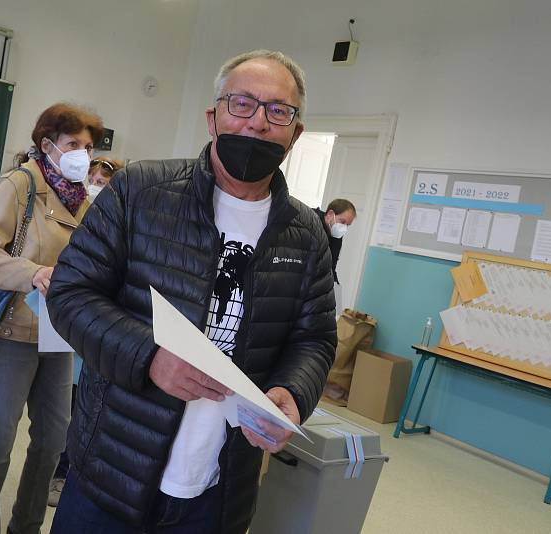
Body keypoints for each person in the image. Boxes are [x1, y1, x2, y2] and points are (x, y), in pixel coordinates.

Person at [47, 50, 337, 533]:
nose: (258, 122)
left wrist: (293, 390)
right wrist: (149, 356)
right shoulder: (141, 190)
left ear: (295, 133)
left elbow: (315, 339)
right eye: (242, 103)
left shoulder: (306, 233)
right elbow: (70, 292)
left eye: (278, 110)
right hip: (113, 468)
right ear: (213, 116)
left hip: (218, 491)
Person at [0, 102, 103, 534]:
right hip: (11, 329)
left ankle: (25, 527)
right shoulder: (21, 184)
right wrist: (33, 273)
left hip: (59, 335)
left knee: (52, 440)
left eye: (89, 145)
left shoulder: (83, 199)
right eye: (73, 144)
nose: (83, 152)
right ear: (47, 145)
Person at [47, 153, 124, 508]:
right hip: (63, 330)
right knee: (60, 405)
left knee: (85, 408)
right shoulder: (68, 218)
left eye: (104, 183)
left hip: (97, 335)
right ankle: (54, 469)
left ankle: (66, 471)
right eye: (91, 179)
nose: (95, 186)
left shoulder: (120, 226)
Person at [314, 198, 356, 284]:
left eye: (347, 225)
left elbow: (331, 265)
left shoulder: (336, 234)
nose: (344, 228)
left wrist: (335, 284)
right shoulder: (310, 224)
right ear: (329, 215)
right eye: (342, 222)